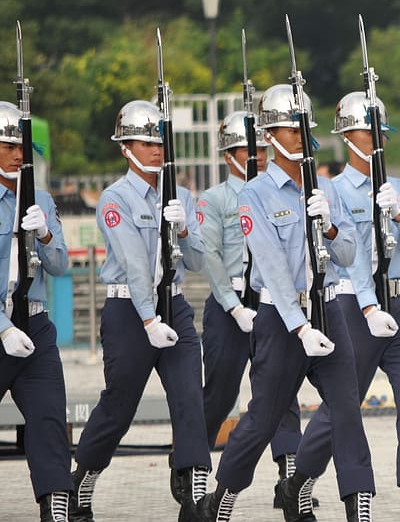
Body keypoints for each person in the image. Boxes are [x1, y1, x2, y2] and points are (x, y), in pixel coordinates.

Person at [196, 84, 375, 522]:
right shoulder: (254, 194)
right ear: (269, 134)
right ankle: (222, 497)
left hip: (328, 311)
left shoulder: (326, 189)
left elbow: (351, 255)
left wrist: (330, 226)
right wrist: (299, 327)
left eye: (301, 126)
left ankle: (359, 504)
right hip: (281, 319)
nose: (298, 134)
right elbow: (273, 268)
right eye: (286, 127)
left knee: (347, 411)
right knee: (263, 418)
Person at [291, 91, 400, 521]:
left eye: (381, 133)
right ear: (347, 136)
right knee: (344, 405)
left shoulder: (396, 187)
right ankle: (300, 478)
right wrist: (372, 308)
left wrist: (397, 212)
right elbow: (350, 259)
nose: (377, 140)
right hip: (356, 307)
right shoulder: (331, 191)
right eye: (368, 131)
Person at [71, 100, 210, 521]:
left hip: (176, 303)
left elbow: (199, 260)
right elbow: (133, 262)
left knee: (190, 396)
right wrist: (149, 319)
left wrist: (184, 227)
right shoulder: (115, 198)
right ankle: (83, 475)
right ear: (125, 147)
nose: (155, 149)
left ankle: (193, 487)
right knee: (120, 405)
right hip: (130, 311)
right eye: (145, 142)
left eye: (159, 141)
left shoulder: (181, 194)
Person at [197, 111, 307, 506]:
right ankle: (193, 463)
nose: (257, 155)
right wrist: (231, 305)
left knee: (280, 390)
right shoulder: (213, 199)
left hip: (269, 302)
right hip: (230, 306)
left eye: (261, 147)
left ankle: (288, 475)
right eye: (248, 149)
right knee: (222, 392)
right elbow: (209, 257)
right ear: (229, 156)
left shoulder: (278, 192)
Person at [0, 101, 73, 521]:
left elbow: (60, 266)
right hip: (0, 328)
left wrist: (44, 231)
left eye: (22, 146)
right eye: (8, 145)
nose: (17, 154)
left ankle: (56, 506)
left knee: (49, 420)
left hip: (36, 325)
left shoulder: (40, 197)